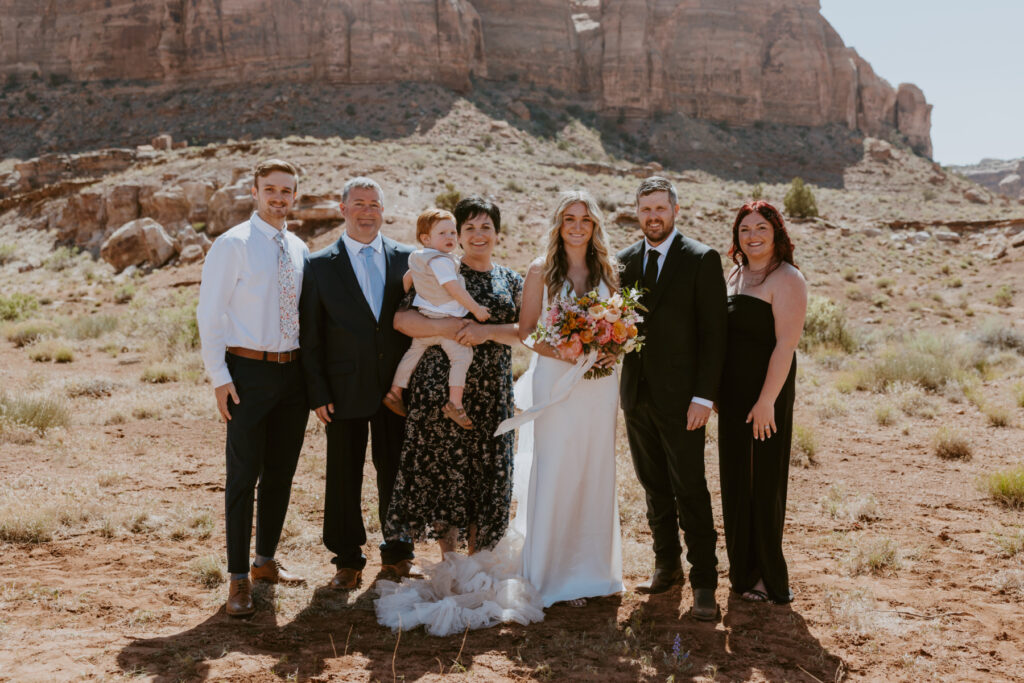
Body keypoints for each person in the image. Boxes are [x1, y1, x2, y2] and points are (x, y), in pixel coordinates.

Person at [374, 196, 537, 637]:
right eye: (469, 229)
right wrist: (448, 329)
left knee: (488, 473)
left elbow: (529, 332)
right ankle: (450, 568)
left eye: (486, 227)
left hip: (493, 393)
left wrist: (484, 331)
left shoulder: (511, 279)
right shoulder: (440, 267)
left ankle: (479, 568)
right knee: (448, 474)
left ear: (497, 232)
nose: (478, 235)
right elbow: (402, 320)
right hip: (442, 388)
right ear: (458, 235)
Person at [196, 159, 310, 617]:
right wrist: (219, 377)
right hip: (246, 374)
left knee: (281, 472)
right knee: (243, 477)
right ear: (254, 191)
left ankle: (265, 563)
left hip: (293, 376)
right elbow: (210, 312)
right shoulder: (232, 245)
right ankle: (238, 579)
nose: (279, 197)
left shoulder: (300, 248)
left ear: (295, 196)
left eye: (287, 190)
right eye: (271, 189)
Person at [617, 176, 727, 622]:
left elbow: (714, 335)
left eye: (660, 209)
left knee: (690, 488)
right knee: (653, 487)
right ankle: (666, 567)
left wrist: (705, 396)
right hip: (637, 396)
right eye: (645, 210)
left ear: (675, 210)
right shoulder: (623, 261)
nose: (653, 217)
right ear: (637, 213)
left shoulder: (701, 259)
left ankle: (704, 582)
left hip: (685, 400)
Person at [298, 177, 417, 591]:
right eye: (359, 204)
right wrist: (317, 392)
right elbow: (310, 337)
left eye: (374, 205)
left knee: (397, 472)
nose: (367, 211)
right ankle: (346, 560)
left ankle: (399, 553)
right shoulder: (317, 265)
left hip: (396, 390)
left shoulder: (409, 259)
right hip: (342, 390)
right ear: (343, 209)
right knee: (343, 475)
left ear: (384, 211)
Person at [513, 189, 624, 608]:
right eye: (569, 219)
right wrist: (564, 351)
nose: (577, 227)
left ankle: (595, 572)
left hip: (599, 382)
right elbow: (526, 331)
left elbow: (620, 325)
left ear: (595, 226)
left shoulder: (609, 272)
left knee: (594, 466)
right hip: (557, 379)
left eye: (585, 220)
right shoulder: (541, 270)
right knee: (558, 467)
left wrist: (611, 345)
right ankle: (551, 573)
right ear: (558, 225)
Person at [717, 201, 807, 604]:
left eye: (761, 229)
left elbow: (786, 345)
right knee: (736, 479)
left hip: (767, 392)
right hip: (733, 395)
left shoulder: (787, 278)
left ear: (776, 235)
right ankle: (741, 571)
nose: (752, 236)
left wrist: (767, 400)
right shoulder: (734, 274)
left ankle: (766, 577)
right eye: (745, 229)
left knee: (764, 481)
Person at [383, 208, 490, 429]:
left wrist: (411, 295)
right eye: (443, 233)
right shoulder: (442, 261)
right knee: (461, 357)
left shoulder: (418, 257)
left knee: (413, 353)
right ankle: (455, 403)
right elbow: (454, 289)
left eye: (453, 232)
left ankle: (395, 391)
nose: (450, 237)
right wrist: (477, 309)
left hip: (425, 317)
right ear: (426, 238)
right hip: (445, 317)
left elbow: (407, 279)